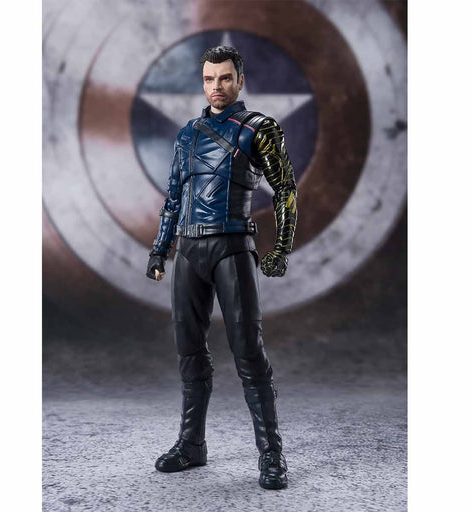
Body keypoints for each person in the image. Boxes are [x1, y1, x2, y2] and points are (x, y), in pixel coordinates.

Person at [146, 45, 297, 490]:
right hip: (189, 251)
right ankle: (191, 445)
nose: (217, 87)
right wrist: (159, 249)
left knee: (248, 351)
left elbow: (286, 189)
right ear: (203, 81)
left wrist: (281, 247)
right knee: (189, 351)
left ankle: (271, 453)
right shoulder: (188, 134)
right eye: (210, 79)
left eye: (225, 78)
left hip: (233, 247)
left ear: (240, 80)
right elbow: (174, 197)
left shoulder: (259, 128)